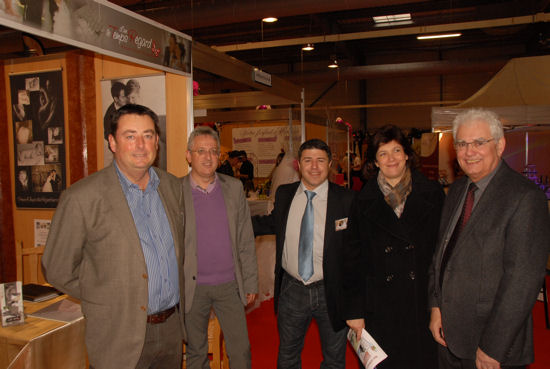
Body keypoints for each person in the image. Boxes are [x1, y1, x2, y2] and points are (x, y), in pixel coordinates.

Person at [42, 104, 185, 369]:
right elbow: (57, 269)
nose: (141, 145)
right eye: (130, 136)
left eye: (148, 135)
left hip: (170, 330)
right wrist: (107, 294)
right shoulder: (82, 198)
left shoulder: (172, 187)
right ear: (112, 142)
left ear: (157, 141)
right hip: (117, 333)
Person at [428, 108, 550, 369]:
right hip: (448, 337)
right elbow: (442, 255)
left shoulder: (525, 198)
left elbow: (522, 282)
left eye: (479, 143)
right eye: (462, 143)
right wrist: (436, 306)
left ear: (500, 145)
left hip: (490, 348)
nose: (469, 151)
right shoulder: (458, 189)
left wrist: (493, 348)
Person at [345, 125, 444, 369]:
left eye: (397, 150)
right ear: (375, 162)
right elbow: (351, 258)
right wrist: (354, 311)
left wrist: (438, 306)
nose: (391, 159)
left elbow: (442, 257)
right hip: (378, 306)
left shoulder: (432, 194)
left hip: (421, 301)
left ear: (407, 154)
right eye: (383, 153)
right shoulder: (361, 200)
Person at [252, 139, 356, 369]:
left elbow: (355, 253)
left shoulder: (346, 199)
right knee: (288, 356)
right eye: (308, 160)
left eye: (321, 160)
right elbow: (272, 223)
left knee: (335, 359)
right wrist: (234, 224)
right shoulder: (285, 194)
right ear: (298, 164)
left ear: (330, 164)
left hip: (332, 290)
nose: (315, 166)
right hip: (292, 289)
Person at [182, 126, 258, 369]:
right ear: (188, 155)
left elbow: (245, 238)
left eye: (213, 151)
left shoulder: (233, 188)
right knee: (196, 352)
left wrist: (250, 281)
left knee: (241, 351)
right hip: (192, 287)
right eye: (201, 151)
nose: (207, 157)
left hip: (229, 285)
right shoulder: (175, 191)